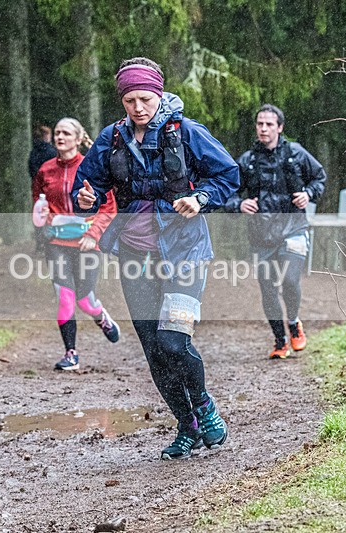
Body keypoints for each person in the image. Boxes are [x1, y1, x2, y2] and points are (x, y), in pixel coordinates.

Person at [72, 57, 239, 460]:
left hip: (184, 253)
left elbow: (228, 175)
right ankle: (186, 426)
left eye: (145, 99)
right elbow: (85, 187)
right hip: (135, 257)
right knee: (154, 350)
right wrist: (85, 198)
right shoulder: (112, 138)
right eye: (130, 100)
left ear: (159, 95)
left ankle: (203, 406)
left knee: (173, 341)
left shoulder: (187, 132)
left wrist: (200, 198)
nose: (138, 107)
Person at [225, 104, 326, 359]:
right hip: (261, 234)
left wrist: (308, 194)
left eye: (269, 124)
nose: (263, 128)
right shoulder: (247, 161)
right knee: (268, 289)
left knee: (290, 279)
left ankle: (293, 322)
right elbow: (227, 191)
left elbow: (319, 177)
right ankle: (280, 341)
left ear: (280, 128)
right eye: (260, 124)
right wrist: (239, 205)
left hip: (294, 228)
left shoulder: (296, 153)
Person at [32, 117, 120, 371]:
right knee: (65, 297)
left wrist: (93, 234)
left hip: (87, 242)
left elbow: (109, 207)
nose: (60, 137)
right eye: (58, 133)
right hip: (57, 242)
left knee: (85, 300)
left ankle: (100, 315)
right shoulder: (45, 169)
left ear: (79, 139)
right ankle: (70, 353)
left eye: (67, 133)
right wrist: (44, 221)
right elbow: (38, 202)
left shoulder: (93, 167)